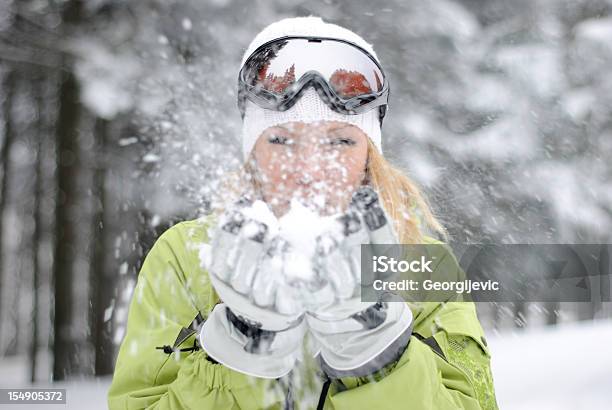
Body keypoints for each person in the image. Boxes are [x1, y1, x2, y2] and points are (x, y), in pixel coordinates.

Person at [108, 16, 499, 410]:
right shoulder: (187, 256)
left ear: (369, 155)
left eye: (341, 141)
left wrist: (376, 353)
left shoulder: (425, 266)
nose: (310, 170)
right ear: (252, 152)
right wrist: (244, 350)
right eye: (281, 140)